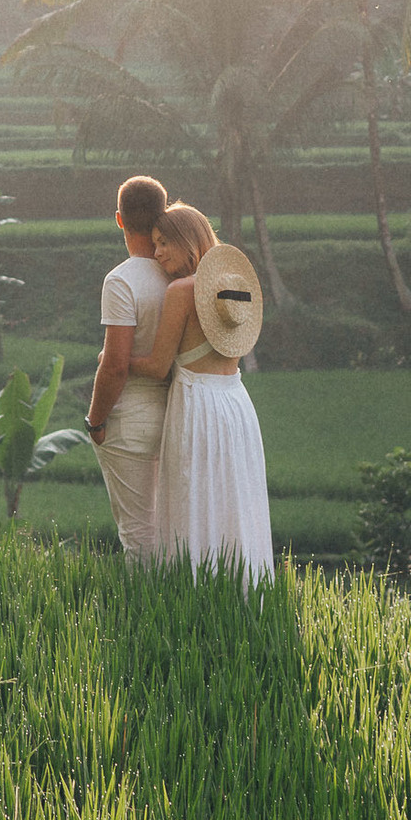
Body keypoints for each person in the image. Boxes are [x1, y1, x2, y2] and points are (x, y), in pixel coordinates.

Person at [130, 204, 274, 583]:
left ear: (186, 241)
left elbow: (158, 366)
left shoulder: (180, 291)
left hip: (198, 404)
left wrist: (114, 359)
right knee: (235, 500)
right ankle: (244, 588)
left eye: (163, 243)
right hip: (236, 403)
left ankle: (194, 591)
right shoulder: (233, 288)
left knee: (192, 498)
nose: (157, 252)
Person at [84, 175, 170, 558]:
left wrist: (96, 421)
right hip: (177, 413)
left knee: (137, 533)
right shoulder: (181, 275)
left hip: (130, 423)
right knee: (170, 528)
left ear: (119, 219)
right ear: (162, 216)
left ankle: (147, 614)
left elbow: (115, 365)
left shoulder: (121, 281)